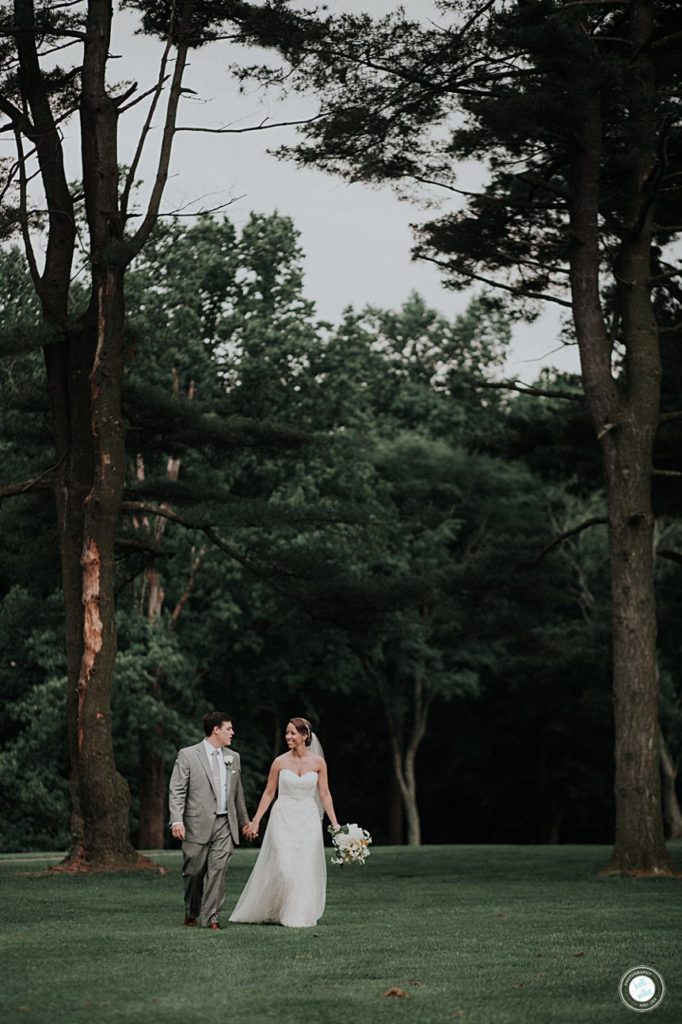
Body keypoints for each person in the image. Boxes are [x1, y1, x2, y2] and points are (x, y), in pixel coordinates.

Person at [229, 717, 339, 928]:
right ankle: (274, 907)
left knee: (304, 867)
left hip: (308, 819)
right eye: (287, 733)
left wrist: (335, 825)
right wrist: (256, 820)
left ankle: (296, 915)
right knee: (285, 867)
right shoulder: (280, 762)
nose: (288, 737)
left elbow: (324, 795)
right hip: (283, 817)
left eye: (292, 733)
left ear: (305, 736)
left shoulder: (318, 762)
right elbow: (269, 794)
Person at [168, 711, 250, 929]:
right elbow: (177, 790)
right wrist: (177, 820)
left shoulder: (234, 757)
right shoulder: (187, 755)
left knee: (218, 871)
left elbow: (237, 794)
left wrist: (245, 822)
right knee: (194, 872)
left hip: (225, 824)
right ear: (216, 730)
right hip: (196, 824)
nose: (232, 733)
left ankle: (211, 918)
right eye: (228, 729)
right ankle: (191, 911)